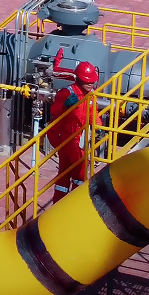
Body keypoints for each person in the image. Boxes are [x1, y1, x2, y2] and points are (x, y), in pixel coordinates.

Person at [46, 58, 100, 196]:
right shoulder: (67, 93)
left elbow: (93, 114)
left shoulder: (91, 95)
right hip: (65, 137)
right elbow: (54, 110)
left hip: (78, 139)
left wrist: (99, 128)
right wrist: (65, 105)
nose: (90, 84)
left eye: (92, 81)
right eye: (87, 81)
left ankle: (69, 199)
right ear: (79, 79)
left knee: (72, 172)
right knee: (77, 170)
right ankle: (66, 199)